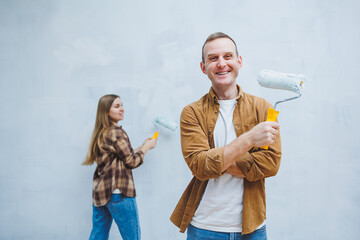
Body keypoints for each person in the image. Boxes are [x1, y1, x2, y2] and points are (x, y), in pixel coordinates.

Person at [170, 32, 282, 240]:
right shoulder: (191, 113)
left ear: (239, 61)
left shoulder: (262, 108)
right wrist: (249, 139)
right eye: (213, 58)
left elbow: (270, 164)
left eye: (228, 56)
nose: (221, 63)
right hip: (205, 228)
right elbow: (199, 166)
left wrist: (217, 160)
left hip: (253, 228)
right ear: (204, 68)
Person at [83, 94, 157, 240]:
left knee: (98, 235)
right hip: (118, 193)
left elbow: (121, 158)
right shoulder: (117, 132)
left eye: (122, 105)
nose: (122, 109)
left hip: (101, 193)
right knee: (132, 237)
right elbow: (131, 162)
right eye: (117, 106)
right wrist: (147, 148)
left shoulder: (102, 132)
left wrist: (142, 146)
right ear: (106, 111)